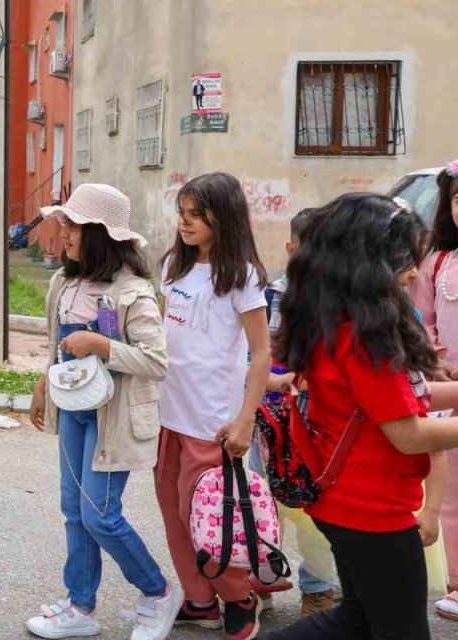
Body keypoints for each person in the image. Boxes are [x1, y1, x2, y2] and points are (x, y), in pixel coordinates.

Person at [261, 193, 458, 639]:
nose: (414, 273)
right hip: (372, 510)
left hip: (343, 502)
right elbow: (408, 433)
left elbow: (404, 398)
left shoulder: (335, 321)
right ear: (369, 264)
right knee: (395, 629)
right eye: (405, 260)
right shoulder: (366, 339)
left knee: (358, 619)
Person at [25, 184, 182, 640]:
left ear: (98, 234)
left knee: (100, 515)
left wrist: (100, 344)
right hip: (73, 409)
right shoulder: (63, 282)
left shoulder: (133, 292)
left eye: (71, 226)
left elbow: (156, 362)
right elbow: (57, 346)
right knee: (74, 510)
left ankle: (157, 592)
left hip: (113, 419)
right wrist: (43, 383)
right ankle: (81, 606)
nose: (63, 233)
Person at [156, 172, 271, 640]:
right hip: (168, 415)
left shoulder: (241, 275)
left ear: (222, 217)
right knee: (173, 514)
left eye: (195, 215)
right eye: (181, 213)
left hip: (213, 423)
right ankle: (200, 600)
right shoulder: (173, 266)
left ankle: (239, 596)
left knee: (206, 517)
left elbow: (260, 352)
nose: (184, 223)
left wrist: (245, 418)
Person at [251, 208, 339, 618]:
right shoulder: (272, 294)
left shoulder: (343, 298)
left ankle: (318, 587)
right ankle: (261, 580)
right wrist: (275, 381)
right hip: (272, 417)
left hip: (320, 419)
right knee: (262, 500)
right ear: (290, 249)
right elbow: (258, 354)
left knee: (314, 507)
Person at [411, 160, 458, 621]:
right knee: (449, 486)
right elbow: (422, 322)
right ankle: (455, 579)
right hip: (448, 388)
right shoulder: (437, 261)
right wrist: (438, 359)